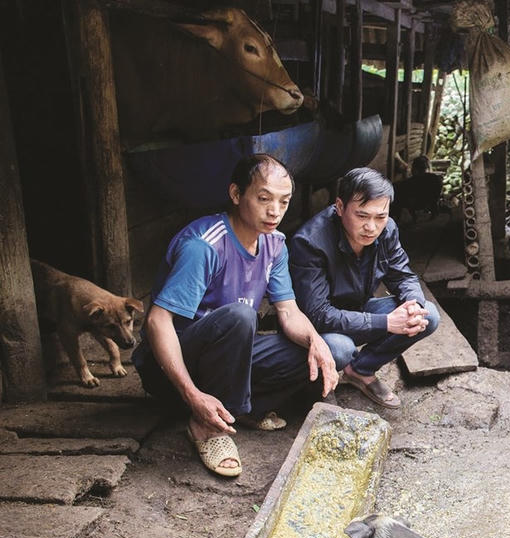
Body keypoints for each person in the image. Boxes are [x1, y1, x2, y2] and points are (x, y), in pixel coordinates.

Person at [134, 154, 338, 477]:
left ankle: (234, 410)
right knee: (242, 318)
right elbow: (157, 322)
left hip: (228, 358)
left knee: (328, 351)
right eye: (263, 198)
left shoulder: (274, 245)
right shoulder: (204, 246)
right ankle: (206, 426)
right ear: (235, 194)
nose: (275, 211)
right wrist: (192, 393)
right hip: (173, 366)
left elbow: (288, 311)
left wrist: (316, 341)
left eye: (284, 202)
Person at [289, 166, 440, 409]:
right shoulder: (310, 243)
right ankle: (315, 386)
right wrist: (387, 323)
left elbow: (403, 275)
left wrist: (414, 305)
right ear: (339, 207)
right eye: (362, 216)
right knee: (340, 348)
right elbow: (317, 315)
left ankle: (359, 370)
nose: (372, 227)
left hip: (360, 310)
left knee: (428, 315)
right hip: (317, 328)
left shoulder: (387, 229)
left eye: (380, 217)